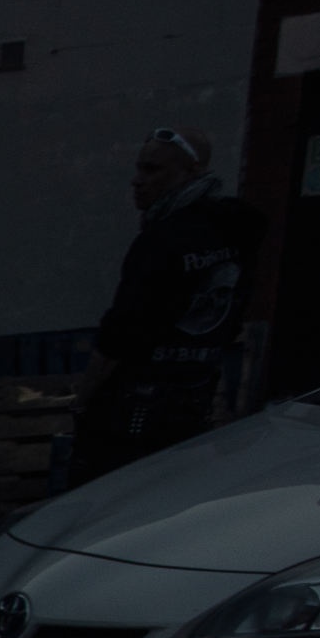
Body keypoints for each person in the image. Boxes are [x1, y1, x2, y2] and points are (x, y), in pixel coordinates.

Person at [67, 126, 269, 483]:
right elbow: (236, 312)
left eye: (152, 170)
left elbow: (119, 334)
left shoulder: (163, 239)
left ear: (191, 170)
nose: (137, 181)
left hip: (136, 413)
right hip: (192, 403)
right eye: (139, 169)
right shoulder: (236, 230)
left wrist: (83, 401)